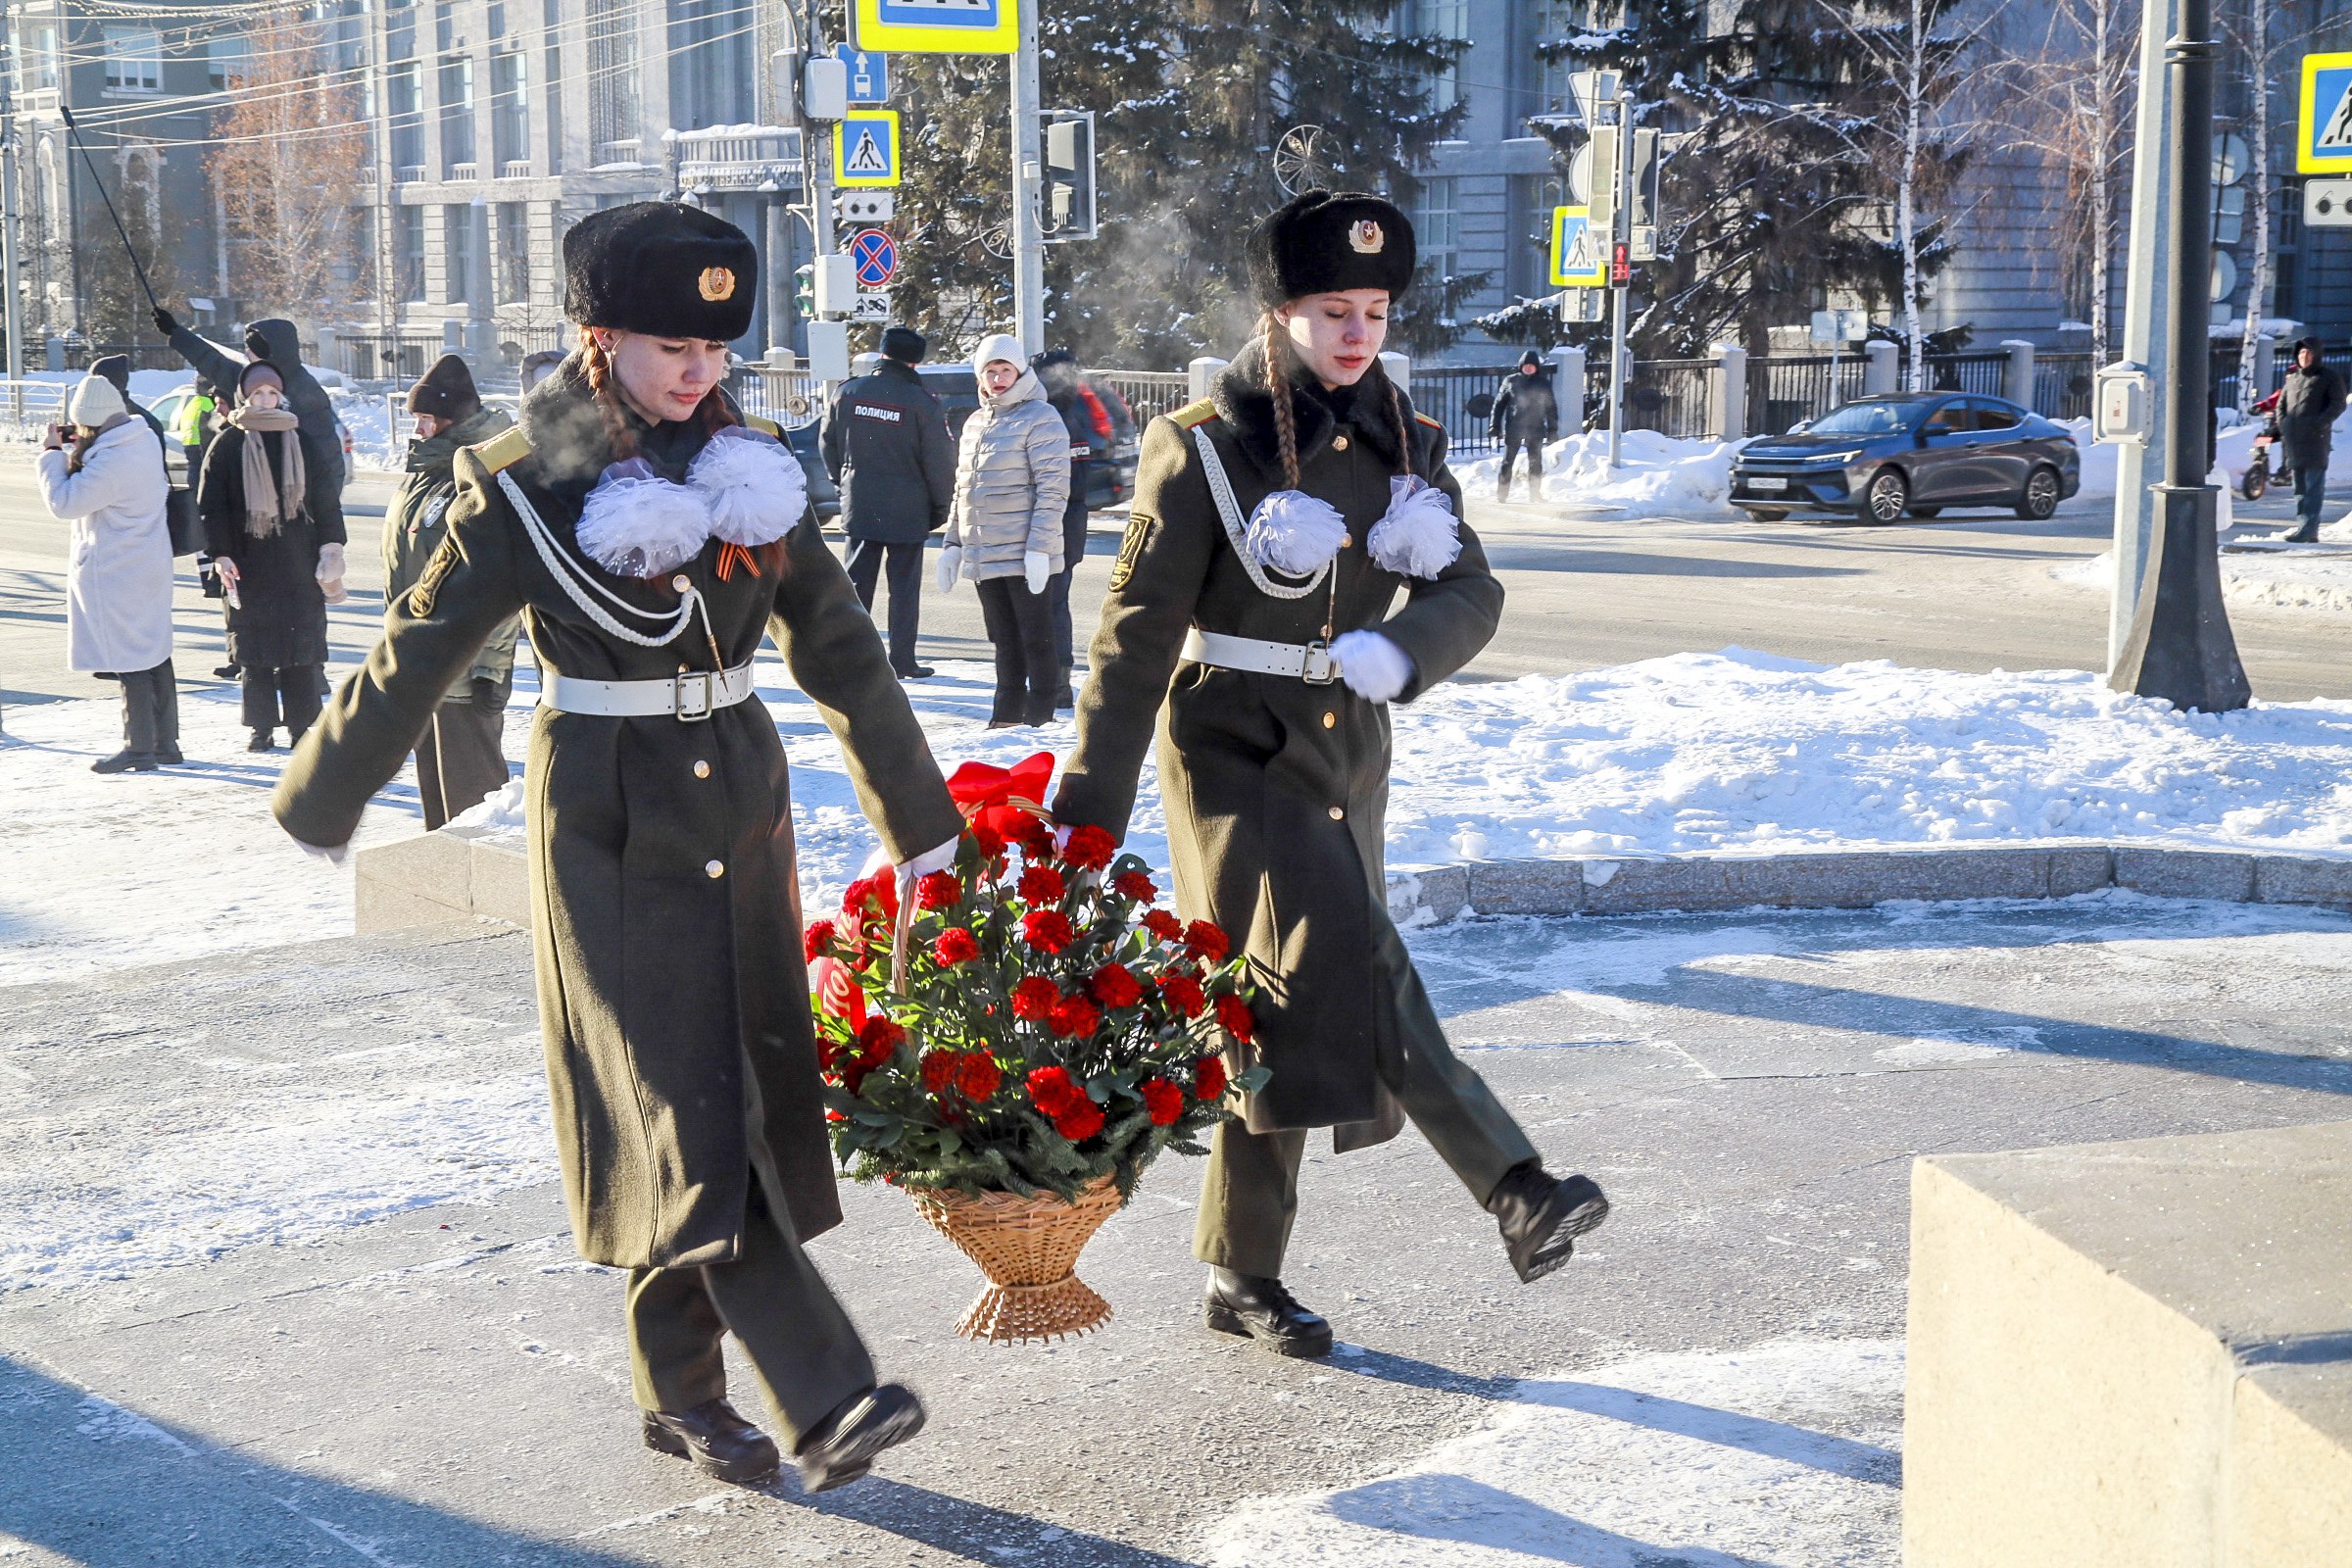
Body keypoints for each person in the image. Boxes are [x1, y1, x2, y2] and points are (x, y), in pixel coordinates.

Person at [270, 202, 961, 1495]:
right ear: (600, 337)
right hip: (606, 821)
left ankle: (677, 1392)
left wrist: (922, 824)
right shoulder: (533, 474)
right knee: (684, 1113)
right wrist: (321, 796)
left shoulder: (752, 467)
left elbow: (843, 651)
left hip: (739, 810)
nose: (696, 367)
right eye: (666, 343)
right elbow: (421, 646)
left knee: (720, 1102)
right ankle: (828, 1397)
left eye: (713, 344)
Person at [1052, 190, 1610, 1358]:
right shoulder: (1206, 445)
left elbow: (1474, 589)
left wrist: (1405, 647)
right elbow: (1136, 634)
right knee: (1341, 953)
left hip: (1349, 747)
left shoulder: (1406, 442)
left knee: (1282, 1001)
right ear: (1281, 312)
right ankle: (1516, 1184)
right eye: (1332, 310)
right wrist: (1087, 812)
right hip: (1232, 750)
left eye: (1374, 311)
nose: (1358, 333)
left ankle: (1240, 1272)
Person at [382, 354, 518, 828]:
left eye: (423, 418)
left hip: (463, 671)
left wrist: (489, 669)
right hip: (422, 665)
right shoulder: (424, 472)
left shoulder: (480, 474)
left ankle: (493, 898)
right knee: (438, 811)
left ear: (450, 419)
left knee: (475, 808)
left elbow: (499, 577)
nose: (416, 429)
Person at [199, 362, 345, 752]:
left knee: (302, 651)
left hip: (299, 562)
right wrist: (221, 555)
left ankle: (302, 727)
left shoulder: (302, 440)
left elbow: (326, 501)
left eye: (272, 393)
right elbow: (211, 507)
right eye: (258, 394)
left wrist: (332, 547)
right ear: (246, 396)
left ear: (281, 395)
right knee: (254, 652)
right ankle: (260, 728)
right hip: (248, 563)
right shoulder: (229, 443)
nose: (265, 400)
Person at [36, 373, 178, 772]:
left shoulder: (112, 462)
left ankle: (139, 748)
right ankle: (166, 743)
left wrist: (51, 455)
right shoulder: (141, 440)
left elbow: (64, 503)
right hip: (147, 561)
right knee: (154, 652)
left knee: (129, 656)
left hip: (119, 570)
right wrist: (83, 447)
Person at [937, 333, 1068, 727]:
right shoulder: (976, 422)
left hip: (1025, 550)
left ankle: (1041, 715)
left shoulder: (1042, 418)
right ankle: (1006, 715)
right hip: (984, 551)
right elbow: (964, 487)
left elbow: (1053, 487)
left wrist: (1039, 548)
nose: (997, 378)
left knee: (1036, 637)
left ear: (1020, 371)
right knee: (1003, 640)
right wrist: (953, 543)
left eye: (1005, 370)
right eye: (990, 371)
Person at [820, 324, 956, 679]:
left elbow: (828, 445)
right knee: (904, 591)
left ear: (882, 356)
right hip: (908, 512)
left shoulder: (847, 392)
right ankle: (903, 660)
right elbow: (939, 464)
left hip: (860, 505)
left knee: (854, 589)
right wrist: (938, 510)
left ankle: (854, 659)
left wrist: (844, 485)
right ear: (914, 364)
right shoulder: (923, 404)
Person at [155, 310, 347, 540]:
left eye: (251, 349)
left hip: (298, 517)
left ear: (269, 353)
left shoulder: (304, 393)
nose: (246, 354)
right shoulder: (256, 379)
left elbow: (327, 464)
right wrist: (177, 333)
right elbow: (215, 364)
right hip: (258, 518)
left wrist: (317, 523)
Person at [1032, 347, 1101, 709]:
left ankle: (1054, 684)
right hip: (1070, 525)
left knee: (1046, 605)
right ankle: (1056, 681)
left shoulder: (1050, 419)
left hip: (1052, 524)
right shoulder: (1074, 413)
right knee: (1056, 604)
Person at [2277, 337, 2345, 544]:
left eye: (2308, 353)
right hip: (2294, 442)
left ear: (2316, 355)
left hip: (2316, 441)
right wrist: (2284, 424)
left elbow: (2338, 404)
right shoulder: (2293, 379)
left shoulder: (2329, 377)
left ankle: (2309, 529)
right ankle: (2302, 528)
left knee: (2313, 488)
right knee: (2299, 489)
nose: (2304, 357)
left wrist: (2319, 423)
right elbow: (2281, 405)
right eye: (2301, 354)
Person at [1489, 349, 1558, 502]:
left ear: (1536, 368)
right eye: (1525, 365)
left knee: (1535, 463)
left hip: (1536, 428)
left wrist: (1553, 429)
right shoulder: (1511, 381)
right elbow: (1498, 405)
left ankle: (1535, 494)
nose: (1528, 368)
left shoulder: (1543, 384)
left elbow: (1551, 408)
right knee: (1508, 462)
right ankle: (1502, 495)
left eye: (1531, 366)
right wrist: (1494, 426)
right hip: (1514, 428)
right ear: (1520, 366)